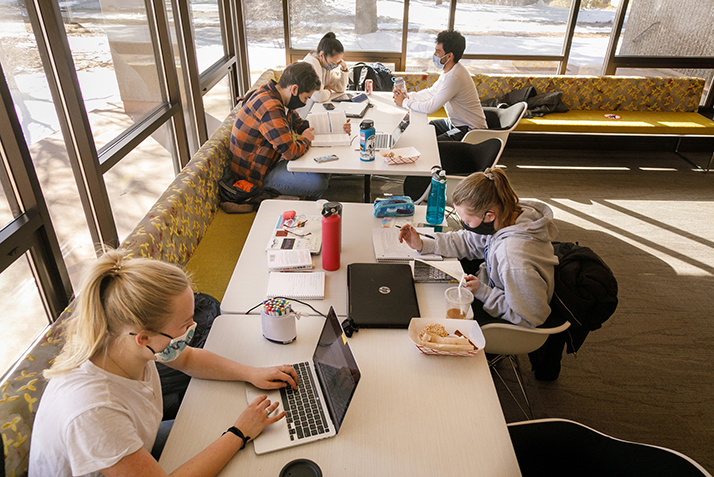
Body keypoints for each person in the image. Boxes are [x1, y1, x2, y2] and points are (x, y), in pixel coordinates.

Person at [29, 250, 299, 477]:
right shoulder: (94, 411)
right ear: (143, 337)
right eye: (184, 325)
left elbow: (190, 358)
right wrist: (240, 432)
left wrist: (251, 373)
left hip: (131, 445)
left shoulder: (121, 341)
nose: (193, 327)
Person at [398, 168, 559, 328]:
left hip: (510, 318)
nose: (465, 227)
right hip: (494, 286)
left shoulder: (513, 260)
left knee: (431, 310)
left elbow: (531, 317)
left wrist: (483, 292)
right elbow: (469, 241)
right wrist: (423, 244)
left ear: (489, 216)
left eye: (467, 222)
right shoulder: (507, 214)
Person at [227, 61, 350, 203]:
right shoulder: (270, 107)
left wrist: (335, 127)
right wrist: (306, 140)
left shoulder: (277, 95)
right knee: (318, 184)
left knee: (325, 166)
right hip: (257, 176)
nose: (304, 103)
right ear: (295, 90)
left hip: (272, 161)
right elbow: (290, 152)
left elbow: (300, 124)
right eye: (305, 98)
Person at [392, 30, 487, 142]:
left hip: (468, 130)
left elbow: (430, 108)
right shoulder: (450, 70)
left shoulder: (454, 77)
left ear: (449, 56)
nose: (434, 55)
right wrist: (407, 97)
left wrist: (404, 102)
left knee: (434, 144)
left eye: (438, 52)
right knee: (427, 128)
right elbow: (432, 92)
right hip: (455, 123)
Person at [297, 32, 350, 117]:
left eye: (338, 63)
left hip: (314, 111)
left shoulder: (325, 67)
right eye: (333, 62)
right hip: (302, 116)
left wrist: (344, 69)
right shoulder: (312, 64)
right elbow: (318, 96)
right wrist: (328, 91)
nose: (335, 66)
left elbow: (340, 88)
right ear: (322, 55)